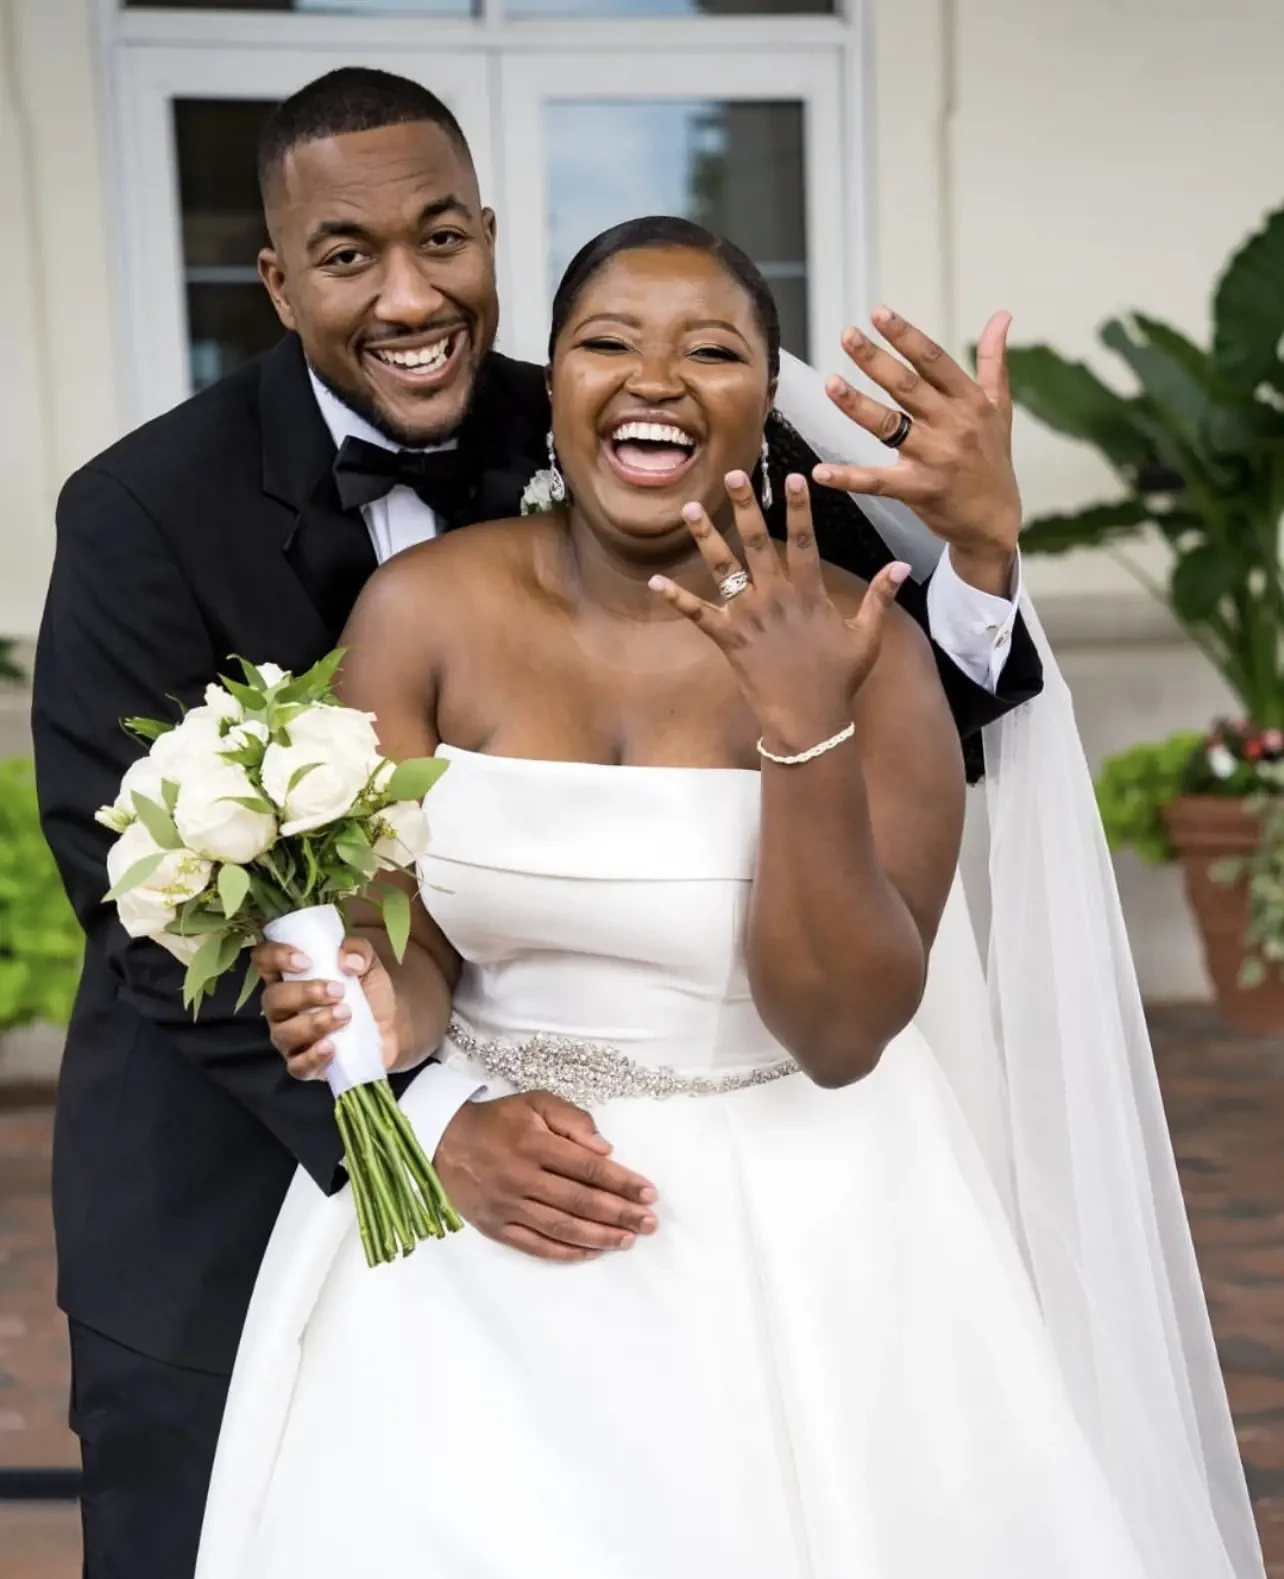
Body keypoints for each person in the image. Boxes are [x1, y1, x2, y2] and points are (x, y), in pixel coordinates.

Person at [32, 68, 1041, 1577]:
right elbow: (144, 894)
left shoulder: (625, 414)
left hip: (752, 1190)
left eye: (443, 240)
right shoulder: (140, 512)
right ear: (275, 277)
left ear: (492, 239)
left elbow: (864, 681)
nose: (407, 293)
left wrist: (979, 546)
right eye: (346, 254)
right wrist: (419, 1116)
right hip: (236, 1173)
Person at [194, 218, 1264, 1579]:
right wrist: (352, 1001)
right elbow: (410, 962)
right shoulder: (416, 613)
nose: (654, 376)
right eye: (605, 342)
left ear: (769, 403)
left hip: (810, 1223)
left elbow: (841, 1030)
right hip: (485, 1220)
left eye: (711, 349)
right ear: (551, 388)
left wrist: (800, 723)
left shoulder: (864, 643)